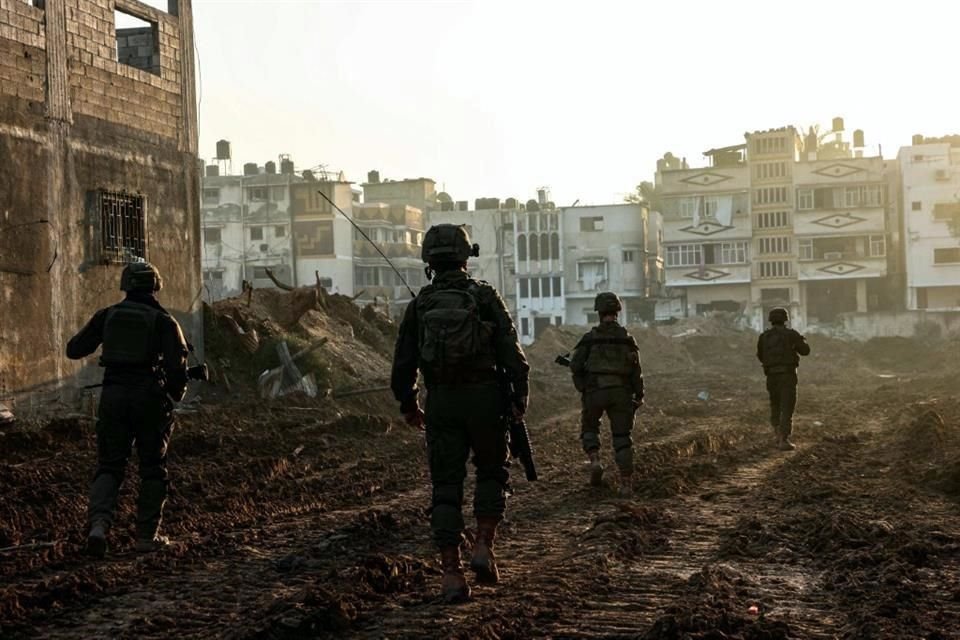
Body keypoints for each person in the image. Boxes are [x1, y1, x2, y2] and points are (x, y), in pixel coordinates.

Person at [391, 224, 529, 604]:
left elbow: (402, 365)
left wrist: (409, 405)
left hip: (443, 403)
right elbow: (515, 358)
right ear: (467, 257)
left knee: (445, 486)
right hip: (486, 399)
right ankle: (483, 546)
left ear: (428, 261)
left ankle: (452, 575)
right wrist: (519, 400)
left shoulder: (421, 304)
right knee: (491, 472)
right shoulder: (485, 298)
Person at [66, 261, 189, 558]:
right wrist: (175, 394)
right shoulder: (165, 322)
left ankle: (99, 527)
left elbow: (74, 349)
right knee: (152, 469)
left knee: (109, 465)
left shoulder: (107, 315)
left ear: (126, 285)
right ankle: (147, 536)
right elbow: (178, 370)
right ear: (155, 287)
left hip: (113, 397)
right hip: (149, 400)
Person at [570, 292, 644, 496]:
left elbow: (575, 366)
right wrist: (639, 395)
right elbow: (636, 371)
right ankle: (626, 484)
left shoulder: (589, 339)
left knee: (590, 428)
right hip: (621, 393)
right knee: (622, 437)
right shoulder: (627, 339)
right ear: (617, 312)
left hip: (595, 391)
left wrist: (584, 387)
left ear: (599, 312)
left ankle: (595, 461)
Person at [756, 307, 811, 451]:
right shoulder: (791, 335)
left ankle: (777, 434)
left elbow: (760, 355)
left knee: (775, 405)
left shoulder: (764, 337)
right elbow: (805, 351)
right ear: (785, 319)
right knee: (787, 406)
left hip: (771, 376)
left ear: (771, 320)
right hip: (787, 375)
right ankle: (783, 439)